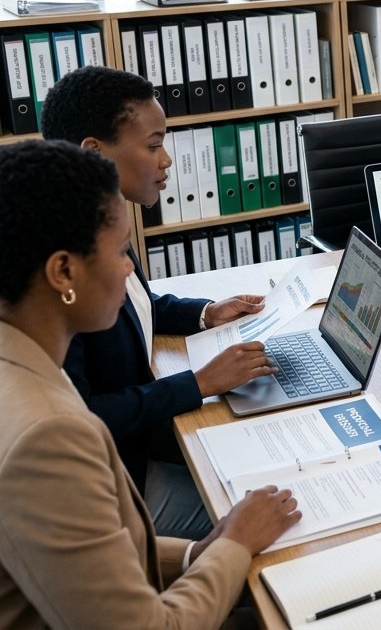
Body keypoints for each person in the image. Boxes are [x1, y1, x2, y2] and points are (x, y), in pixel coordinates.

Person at [0, 139, 300, 628]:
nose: (129, 269)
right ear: (64, 271)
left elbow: (95, 555)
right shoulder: (47, 439)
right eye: (121, 251)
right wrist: (235, 543)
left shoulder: (21, 361)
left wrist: (198, 553)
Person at [41, 66, 279, 540]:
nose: (167, 160)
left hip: (141, 449)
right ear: (95, 153)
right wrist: (200, 382)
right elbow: (84, 415)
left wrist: (204, 313)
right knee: (279, 507)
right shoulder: (63, 265)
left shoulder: (96, 217)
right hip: (116, 485)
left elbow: (134, 302)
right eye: (153, 146)